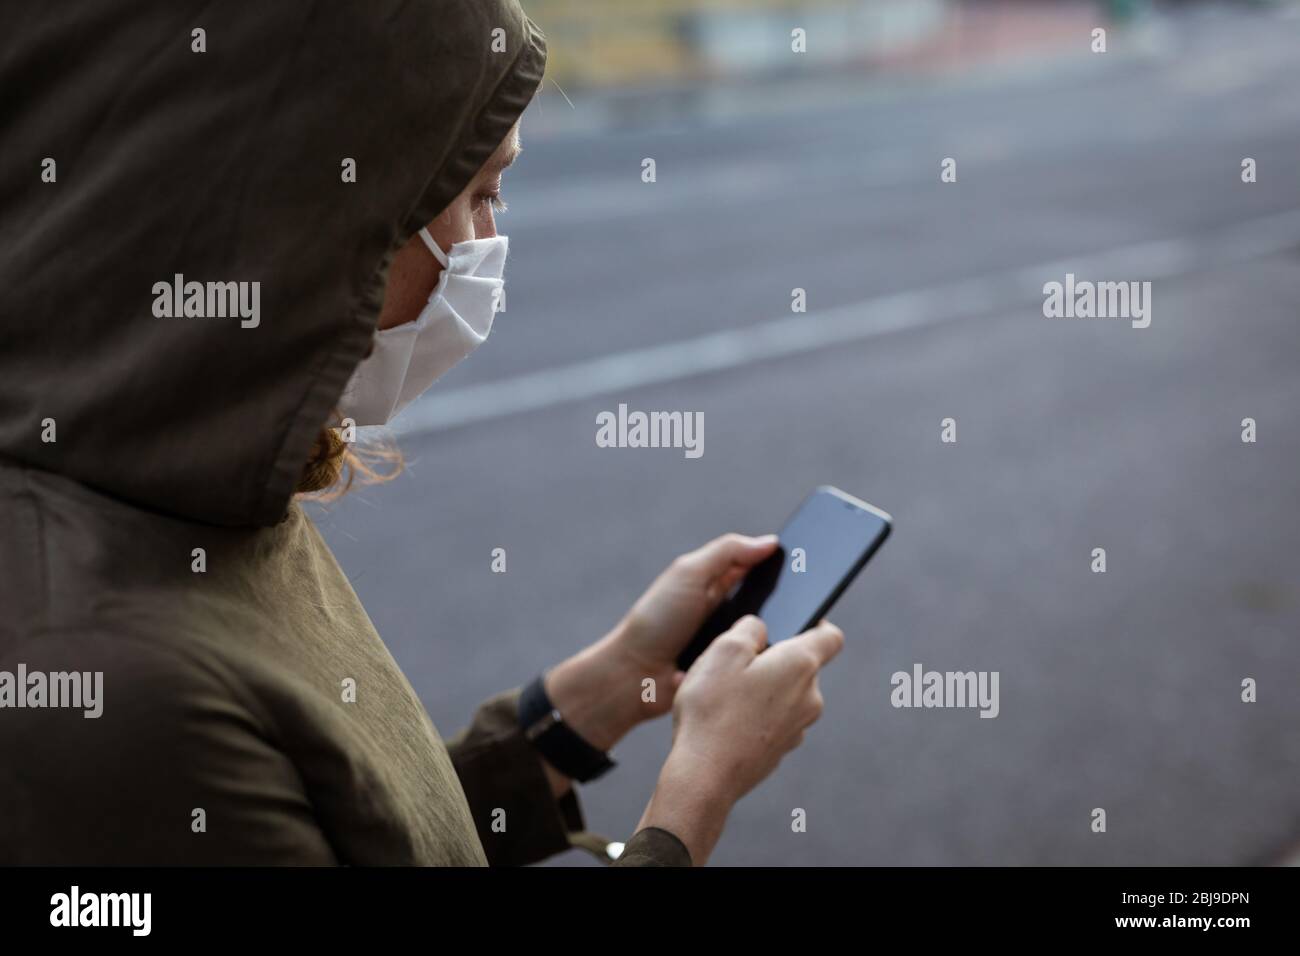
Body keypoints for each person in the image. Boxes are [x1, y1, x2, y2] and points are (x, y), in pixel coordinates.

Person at [0, 0, 843, 866]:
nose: (490, 244)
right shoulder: (102, 688)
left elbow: (355, 831)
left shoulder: (197, 491)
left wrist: (594, 697)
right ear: (309, 223)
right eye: (480, 194)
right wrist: (694, 795)